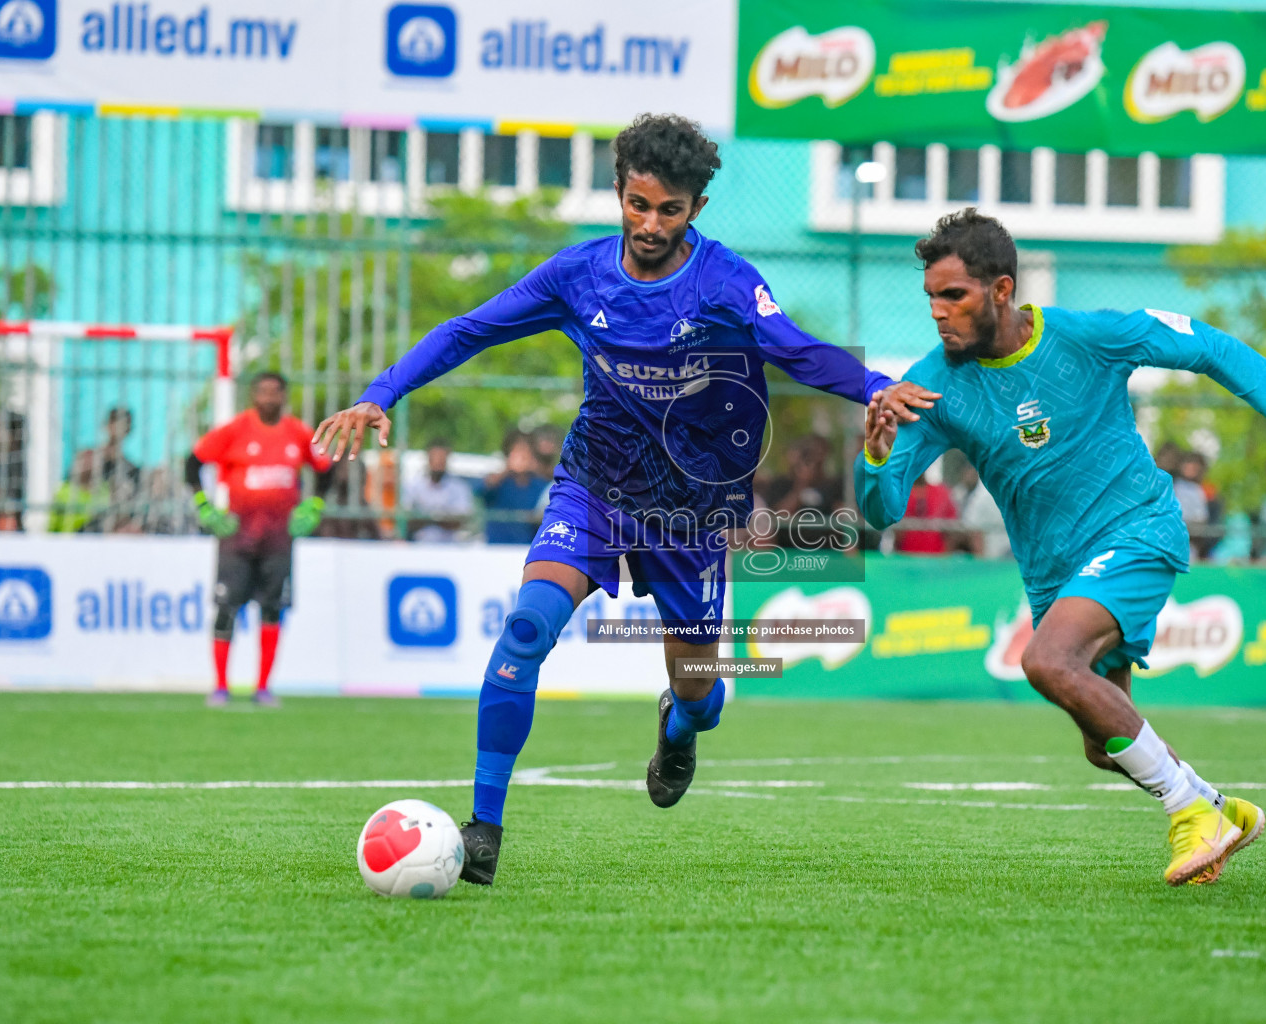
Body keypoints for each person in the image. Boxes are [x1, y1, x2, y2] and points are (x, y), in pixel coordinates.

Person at [313, 113, 932, 886]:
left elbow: (798, 351)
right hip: (595, 487)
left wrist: (876, 385)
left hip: (692, 512)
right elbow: (470, 329)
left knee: (700, 693)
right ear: (619, 192)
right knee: (527, 627)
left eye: (668, 210)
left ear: (695, 210)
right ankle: (483, 831)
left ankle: (680, 728)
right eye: (638, 204)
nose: (649, 223)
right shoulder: (578, 275)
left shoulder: (726, 282)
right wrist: (383, 393)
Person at [857, 210, 1266, 886]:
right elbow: (882, 511)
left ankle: (1190, 811)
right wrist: (875, 453)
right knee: (1106, 746)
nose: (938, 312)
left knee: (1048, 660)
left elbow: (1208, 346)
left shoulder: (1087, 337)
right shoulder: (932, 384)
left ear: (1002, 289)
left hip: (1137, 529)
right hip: (1055, 575)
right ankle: (1221, 809)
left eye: (954, 295)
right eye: (931, 297)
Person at [185, 373, 334, 707]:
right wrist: (204, 507)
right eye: (262, 392)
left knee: (272, 608)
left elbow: (327, 469)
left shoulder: (297, 433)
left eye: (275, 392)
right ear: (252, 396)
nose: (268, 397)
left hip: (278, 538)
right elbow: (192, 463)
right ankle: (221, 687)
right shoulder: (235, 430)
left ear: (283, 396)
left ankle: (263, 687)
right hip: (237, 536)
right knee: (226, 608)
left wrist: (314, 505)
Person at [471, 432, 550, 545]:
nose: (522, 457)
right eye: (517, 452)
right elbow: (480, 493)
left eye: (525, 452)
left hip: (527, 548)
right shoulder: (497, 482)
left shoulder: (540, 486)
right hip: (496, 548)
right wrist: (507, 469)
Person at [404, 439, 474, 543]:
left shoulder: (459, 487)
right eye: (434, 459)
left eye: (441, 459)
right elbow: (407, 519)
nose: (438, 463)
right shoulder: (414, 486)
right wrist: (440, 518)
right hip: (419, 548)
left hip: (449, 549)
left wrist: (428, 518)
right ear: (428, 459)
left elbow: (460, 521)